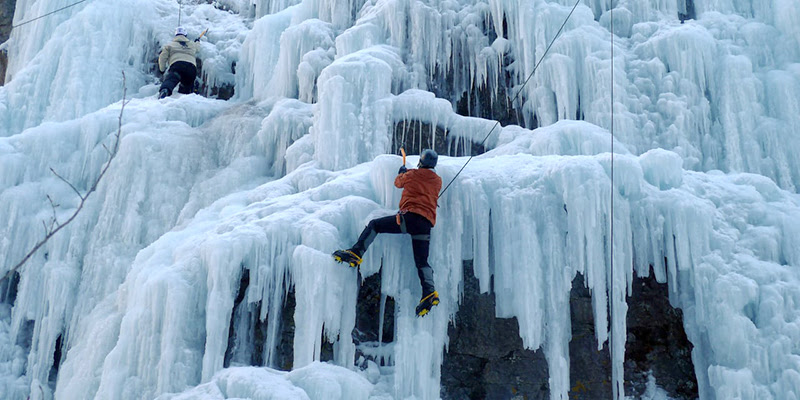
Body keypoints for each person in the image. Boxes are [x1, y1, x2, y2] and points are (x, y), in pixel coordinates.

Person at [333, 149, 443, 317]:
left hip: (409, 219)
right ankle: (429, 291)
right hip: (425, 225)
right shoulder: (437, 181)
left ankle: (356, 253)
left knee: (375, 225)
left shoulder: (412, 174)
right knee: (422, 261)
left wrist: (402, 172)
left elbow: (398, 183)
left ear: (421, 161)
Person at [157, 27, 198, 99]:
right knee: (186, 87)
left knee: (171, 80)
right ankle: (185, 101)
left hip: (178, 66)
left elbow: (162, 57)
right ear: (185, 35)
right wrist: (197, 42)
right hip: (191, 68)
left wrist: (162, 70)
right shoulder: (192, 45)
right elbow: (197, 47)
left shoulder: (170, 45)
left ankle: (165, 92)